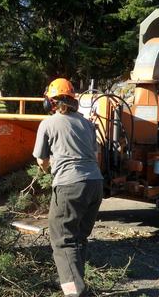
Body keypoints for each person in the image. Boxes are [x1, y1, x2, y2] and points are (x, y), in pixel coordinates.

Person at [32, 78, 103, 297]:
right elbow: (96, 155)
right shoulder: (87, 123)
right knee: (79, 239)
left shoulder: (48, 123)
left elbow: (42, 161)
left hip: (69, 186)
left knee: (63, 241)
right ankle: (70, 280)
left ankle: (75, 292)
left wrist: (48, 170)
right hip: (95, 185)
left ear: (51, 102)